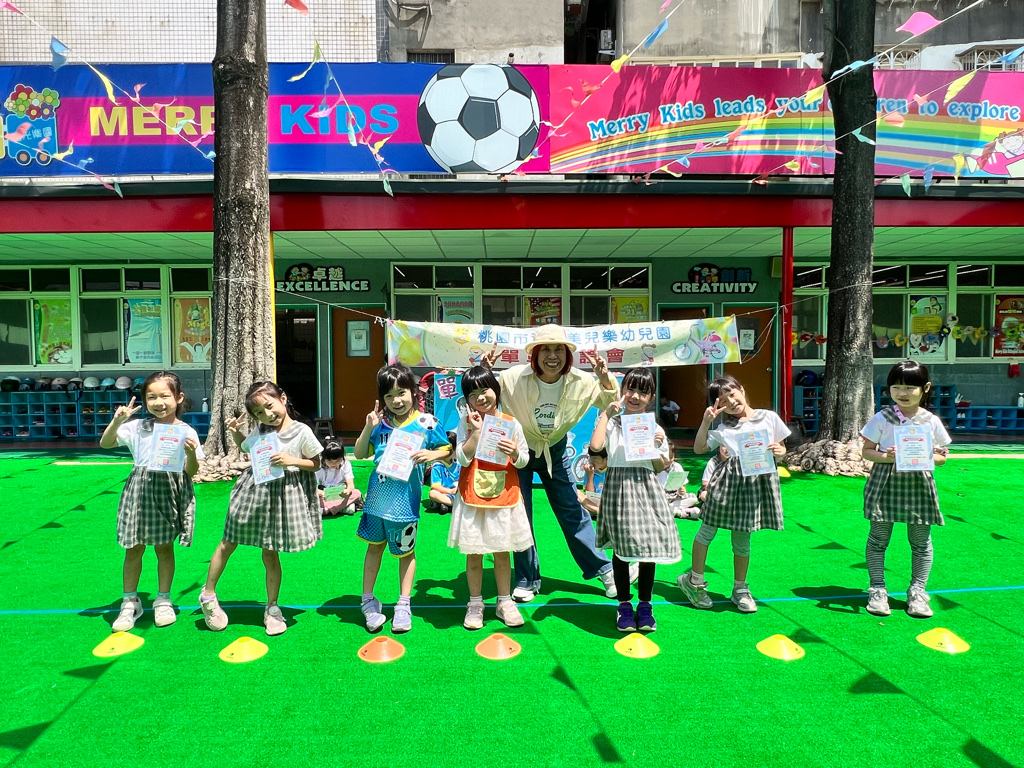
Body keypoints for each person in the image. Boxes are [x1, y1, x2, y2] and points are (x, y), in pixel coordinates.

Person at [481, 324, 633, 603]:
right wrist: (484, 372)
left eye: (559, 350)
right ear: (535, 354)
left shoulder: (581, 381)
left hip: (556, 450)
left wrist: (605, 378)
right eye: (546, 350)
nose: (553, 356)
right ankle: (527, 579)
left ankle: (605, 570)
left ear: (567, 354)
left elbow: (611, 401)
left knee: (572, 509)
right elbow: (485, 395)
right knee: (520, 514)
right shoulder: (512, 377)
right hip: (518, 450)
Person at [199, 381, 323, 636]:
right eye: (259, 412)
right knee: (228, 542)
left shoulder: (301, 431)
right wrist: (235, 432)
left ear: (283, 398)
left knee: (270, 552)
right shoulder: (261, 430)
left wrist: (291, 460)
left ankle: (272, 607)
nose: (267, 414)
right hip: (252, 492)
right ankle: (208, 595)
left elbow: (316, 463)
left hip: (282, 498)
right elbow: (246, 446)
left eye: (269, 406)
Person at [677, 375, 790, 614]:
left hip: (755, 485)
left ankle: (740, 589)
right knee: (706, 531)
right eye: (724, 401)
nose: (731, 402)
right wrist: (706, 421)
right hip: (725, 485)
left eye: (732, 394)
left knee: (742, 539)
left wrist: (780, 451)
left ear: (742, 389)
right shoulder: (724, 429)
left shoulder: (768, 417)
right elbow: (699, 448)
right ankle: (694, 582)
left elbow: (782, 448)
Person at [99, 371, 202, 632]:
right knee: (133, 547)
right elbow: (106, 443)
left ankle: (163, 600)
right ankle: (129, 602)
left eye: (165, 396)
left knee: (164, 548)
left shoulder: (186, 431)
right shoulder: (136, 427)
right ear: (145, 400)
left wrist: (191, 454)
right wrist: (117, 421)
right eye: (151, 397)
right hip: (139, 491)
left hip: (169, 491)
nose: (159, 402)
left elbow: (191, 471)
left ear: (179, 397)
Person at [354, 363, 451, 633]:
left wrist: (432, 454)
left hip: (405, 504)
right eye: (389, 396)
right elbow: (360, 454)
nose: (396, 401)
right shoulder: (379, 424)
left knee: (405, 553)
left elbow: (447, 450)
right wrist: (368, 427)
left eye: (401, 393)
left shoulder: (427, 423)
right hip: (376, 500)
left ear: (413, 392)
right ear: (382, 398)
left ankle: (403, 604)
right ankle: (367, 600)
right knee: (374, 548)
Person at [590, 368, 680, 633]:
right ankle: (624, 605)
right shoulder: (612, 423)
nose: (635, 396)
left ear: (650, 397)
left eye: (643, 391)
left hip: (647, 489)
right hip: (619, 488)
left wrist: (653, 444)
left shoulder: (654, 428)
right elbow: (596, 447)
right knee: (622, 549)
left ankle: (645, 604)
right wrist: (606, 414)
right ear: (622, 391)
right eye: (630, 389)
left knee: (648, 548)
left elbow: (660, 465)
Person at [861, 360, 951, 619]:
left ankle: (918, 592)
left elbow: (943, 457)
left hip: (919, 484)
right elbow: (866, 451)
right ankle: (877, 590)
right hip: (884, 482)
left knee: (921, 542)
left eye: (910, 387)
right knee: (878, 539)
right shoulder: (882, 418)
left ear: (925, 388)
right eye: (896, 386)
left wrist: (928, 454)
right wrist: (887, 456)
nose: (902, 392)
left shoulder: (931, 421)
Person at [448, 366, 533, 630]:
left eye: (484, 390)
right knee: (474, 553)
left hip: (504, 495)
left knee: (501, 551)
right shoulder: (466, 423)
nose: (480, 398)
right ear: (466, 400)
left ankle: (504, 601)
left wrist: (515, 452)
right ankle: (475, 602)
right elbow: (461, 459)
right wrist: (475, 432)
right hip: (472, 496)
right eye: (472, 394)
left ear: (495, 390)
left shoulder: (511, 423)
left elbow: (524, 460)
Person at [316, 437, 362, 516]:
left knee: (357, 493)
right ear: (323, 458)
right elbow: (313, 488)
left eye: (338, 460)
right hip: (325, 494)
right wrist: (321, 493)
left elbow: (351, 485)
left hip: (341, 494)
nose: (334, 464)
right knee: (311, 497)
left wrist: (348, 491)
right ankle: (343, 508)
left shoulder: (346, 464)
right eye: (330, 461)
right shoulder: (319, 466)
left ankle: (327, 510)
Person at [659, 443, 700, 520]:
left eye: (671, 458)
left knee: (693, 498)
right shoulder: (654, 468)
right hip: (660, 499)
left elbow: (682, 487)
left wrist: (682, 490)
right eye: (665, 459)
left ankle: (671, 509)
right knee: (657, 506)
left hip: (674, 497)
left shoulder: (676, 466)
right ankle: (682, 512)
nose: (668, 461)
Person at [426, 431, 460, 514]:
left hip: (456, 494)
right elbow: (436, 487)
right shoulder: (437, 466)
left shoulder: (458, 465)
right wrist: (451, 491)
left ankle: (446, 505)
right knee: (433, 493)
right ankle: (455, 506)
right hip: (445, 493)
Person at [580, 447, 607, 517]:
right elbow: (589, 495)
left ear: (606, 459)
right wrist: (590, 476)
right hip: (592, 505)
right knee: (576, 493)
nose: (591, 461)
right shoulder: (589, 470)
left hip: (607, 503)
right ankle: (599, 511)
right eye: (590, 457)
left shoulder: (612, 471)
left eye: (595, 458)